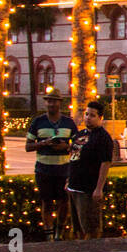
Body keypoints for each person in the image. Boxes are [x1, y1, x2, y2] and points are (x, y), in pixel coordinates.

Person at [26, 90, 78, 240]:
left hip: (63, 170)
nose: (51, 104)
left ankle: (59, 233)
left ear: (60, 103)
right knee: (46, 202)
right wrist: (43, 143)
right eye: (48, 101)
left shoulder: (69, 123)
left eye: (54, 101)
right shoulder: (38, 122)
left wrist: (66, 147)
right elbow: (28, 146)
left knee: (64, 202)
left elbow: (77, 145)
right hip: (43, 169)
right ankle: (48, 234)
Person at [66, 100, 113, 240]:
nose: (88, 117)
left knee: (90, 227)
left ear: (100, 118)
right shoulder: (79, 135)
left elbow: (105, 163)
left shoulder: (103, 138)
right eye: (86, 114)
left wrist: (99, 188)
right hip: (74, 187)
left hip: (88, 189)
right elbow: (73, 157)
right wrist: (68, 180)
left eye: (92, 115)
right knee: (77, 228)